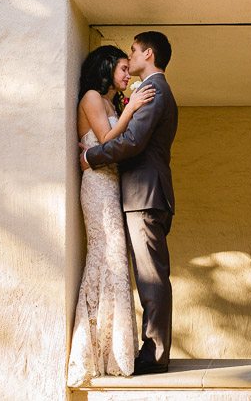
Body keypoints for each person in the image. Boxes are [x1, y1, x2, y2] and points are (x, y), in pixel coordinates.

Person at [80, 31, 178, 376]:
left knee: (151, 278)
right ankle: (150, 350)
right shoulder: (152, 90)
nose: (131, 59)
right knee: (150, 276)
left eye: (133, 52)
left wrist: (92, 155)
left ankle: (154, 355)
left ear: (147, 54)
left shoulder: (154, 90)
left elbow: (133, 141)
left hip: (144, 194)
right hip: (145, 193)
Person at [68, 45, 156, 386]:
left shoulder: (110, 103)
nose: (126, 74)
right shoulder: (91, 97)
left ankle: (113, 351)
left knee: (115, 262)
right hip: (96, 186)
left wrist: (126, 109)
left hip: (111, 182)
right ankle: (92, 351)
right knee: (105, 258)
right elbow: (105, 138)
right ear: (106, 68)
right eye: (121, 68)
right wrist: (132, 107)